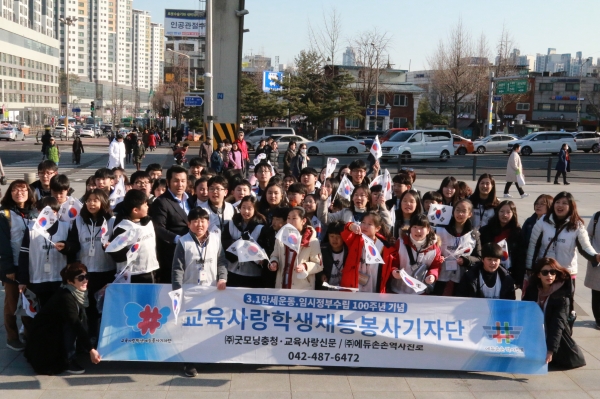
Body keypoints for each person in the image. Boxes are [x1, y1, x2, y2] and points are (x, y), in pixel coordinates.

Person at [24, 263, 102, 375]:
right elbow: (75, 324)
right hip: (45, 337)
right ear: (70, 281)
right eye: (81, 278)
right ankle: (68, 360)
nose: (85, 281)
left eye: (86, 277)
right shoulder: (66, 297)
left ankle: (74, 352)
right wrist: (91, 349)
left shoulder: (75, 291)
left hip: (52, 330)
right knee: (71, 326)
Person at [60, 189, 115, 339]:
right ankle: (90, 338)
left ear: (103, 202)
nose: (91, 203)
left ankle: (105, 338)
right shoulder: (78, 220)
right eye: (89, 200)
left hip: (106, 271)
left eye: (95, 200)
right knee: (88, 307)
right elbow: (74, 244)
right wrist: (66, 247)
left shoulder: (112, 221)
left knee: (105, 308)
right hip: (86, 273)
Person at [523, 257, 586, 369]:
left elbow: (557, 323)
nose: (549, 276)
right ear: (538, 275)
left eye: (553, 272)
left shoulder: (561, 296)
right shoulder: (532, 290)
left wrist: (550, 350)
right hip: (536, 332)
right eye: (545, 272)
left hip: (556, 336)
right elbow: (524, 313)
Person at [526, 191, 600, 281]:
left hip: (566, 273)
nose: (560, 205)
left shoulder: (577, 225)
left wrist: (595, 256)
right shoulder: (543, 221)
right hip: (546, 273)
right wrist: (529, 267)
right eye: (557, 202)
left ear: (571, 207)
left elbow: (585, 247)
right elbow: (533, 246)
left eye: (564, 203)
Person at [0, 180, 36, 351]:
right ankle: (12, 336)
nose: (19, 193)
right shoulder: (4, 214)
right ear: (10, 193)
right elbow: (3, 244)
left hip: (31, 267)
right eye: (15, 190)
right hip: (12, 267)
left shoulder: (34, 213)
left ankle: (29, 334)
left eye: (23, 190)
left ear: (29, 193)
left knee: (30, 302)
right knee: (11, 304)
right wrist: (8, 269)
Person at [18, 197, 69, 308]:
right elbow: (24, 255)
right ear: (38, 212)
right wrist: (23, 280)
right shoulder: (31, 228)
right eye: (44, 212)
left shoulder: (66, 227)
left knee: (61, 312)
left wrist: (66, 248)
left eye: (53, 212)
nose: (49, 216)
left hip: (59, 278)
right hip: (38, 279)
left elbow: (73, 251)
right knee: (43, 313)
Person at [108, 190, 160, 283]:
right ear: (135, 210)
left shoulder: (149, 222)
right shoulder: (123, 227)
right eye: (145, 205)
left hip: (150, 270)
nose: (148, 207)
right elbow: (116, 253)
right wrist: (130, 254)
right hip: (131, 274)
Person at [339, 211, 396, 293]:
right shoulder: (355, 238)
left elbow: (391, 267)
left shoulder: (385, 246)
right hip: (353, 286)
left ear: (378, 228)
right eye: (363, 222)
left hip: (374, 287)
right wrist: (351, 226)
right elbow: (344, 232)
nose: (365, 226)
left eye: (369, 224)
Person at [150, 166, 190, 283]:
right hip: (171, 255)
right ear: (168, 182)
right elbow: (158, 228)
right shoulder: (161, 202)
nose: (180, 184)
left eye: (183, 181)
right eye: (176, 181)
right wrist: (178, 239)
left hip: (191, 254)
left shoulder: (190, 199)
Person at [434, 199, 482, 296]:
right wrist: (437, 258)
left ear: (470, 214)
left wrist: (466, 260)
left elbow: (479, 258)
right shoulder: (440, 230)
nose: (460, 214)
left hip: (461, 278)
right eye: (457, 210)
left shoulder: (474, 234)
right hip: (440, 276)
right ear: (453, 211)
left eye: (464, 211)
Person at [268, 207, 322, 289]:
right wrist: (274, 262)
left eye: (294, 218)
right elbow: (274, 255)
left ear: (303, 221)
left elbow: (318, 265)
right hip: (282, 286)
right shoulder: (281, 238)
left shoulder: (312, 241)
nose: (290, 221)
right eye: (288, 218)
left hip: (302, 289)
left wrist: (305, 266)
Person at [390, 214, 442, 295]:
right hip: (398, 289)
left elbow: (435, 266)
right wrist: (394, 271)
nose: (418, 231)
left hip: (420, 292)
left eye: (422, 228)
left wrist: (432, 276)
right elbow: (393, 262)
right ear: (410, 229)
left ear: (428, 230)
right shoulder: (400, 243)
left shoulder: (434, 249)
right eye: (415, 227)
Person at [479, 200, 525, 287]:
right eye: (502, 211)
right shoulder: (486, 230)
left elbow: (520, 257)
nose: (505, 215)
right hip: (487, 270)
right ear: (497, 212)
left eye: (508, 212)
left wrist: (518, 278)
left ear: (513, 214)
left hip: (508, 273)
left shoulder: (518, 233)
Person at [222, 196, 265, 288]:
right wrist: (240, 243)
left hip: (253, 273)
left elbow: (263, 247)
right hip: (232, 270)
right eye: (243, 207)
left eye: (250, 208)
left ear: (255, 209)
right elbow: (224, 243)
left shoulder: (261, 227)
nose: (246, 211)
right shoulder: (231, 224)